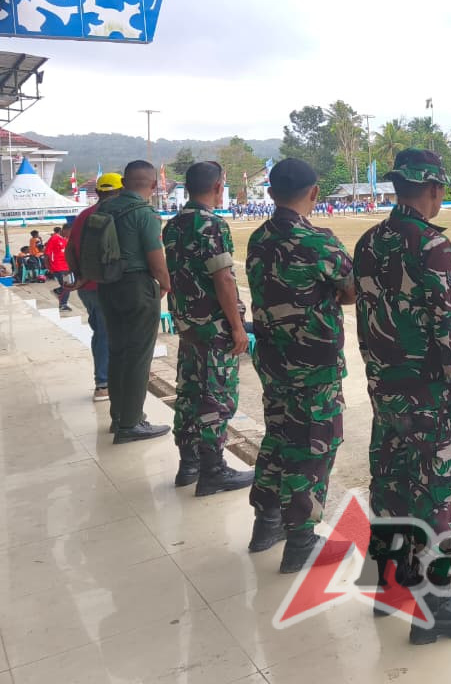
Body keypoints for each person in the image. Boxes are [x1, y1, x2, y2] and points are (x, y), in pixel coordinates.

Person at [355, 149, 451, 645]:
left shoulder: (369, 242)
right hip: (427, 394)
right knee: (433, 491)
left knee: (391, 482)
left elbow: (366, 320)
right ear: (434, 190)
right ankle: (437, 605)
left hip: (384, 388)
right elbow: (450, 327)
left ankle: (389, 588)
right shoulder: (431, 245)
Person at [246, 158, 356, 572]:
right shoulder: (317, 241)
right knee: (312, 446)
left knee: (278, 437)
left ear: (271, 193)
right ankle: (301, 541)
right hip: (313, 365)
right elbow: (350, 289)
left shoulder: (259, 238)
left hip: (273, 359)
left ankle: (266, 523)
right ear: (314, 193)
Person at [163, 161, 255, 495]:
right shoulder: (211, 225)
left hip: (188, 325)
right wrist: (237, 327)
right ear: (218, 186)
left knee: (189, 392)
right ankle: (213, 469)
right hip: (213, 327)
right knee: (216, 397)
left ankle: (188, 463)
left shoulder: (173, 225)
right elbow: (223, 278)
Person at [96, 161, 170, 443]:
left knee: (117, 352)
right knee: (139, 356)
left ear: (124, 183)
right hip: (137, 286)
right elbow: (155, 257)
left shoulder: (105, 208)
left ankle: (119, 416)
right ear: (153, 185)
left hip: (107, 286)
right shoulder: (144, 213)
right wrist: (165, 284)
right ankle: (131, 423)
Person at [65, 173, 121, 401]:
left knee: (101, 330)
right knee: (107, 333)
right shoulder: (115, 214)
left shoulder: (83, 216)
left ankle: (109, 379)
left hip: (86, 286)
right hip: (106, 285)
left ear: (97, 192)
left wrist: (79, 276)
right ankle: (104, 383)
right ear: (120, 191)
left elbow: (70, 250)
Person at [45, 224, 72, 310]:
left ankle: (58, 291)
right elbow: (47, 254)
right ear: (64, 230)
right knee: (68, 286)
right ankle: (63, 304)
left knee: (71, 284)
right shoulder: (54, 238)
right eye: (69, 232)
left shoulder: (66, 239)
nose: (70, 234)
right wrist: (49, 268)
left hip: (66, 267)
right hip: (58, 267)